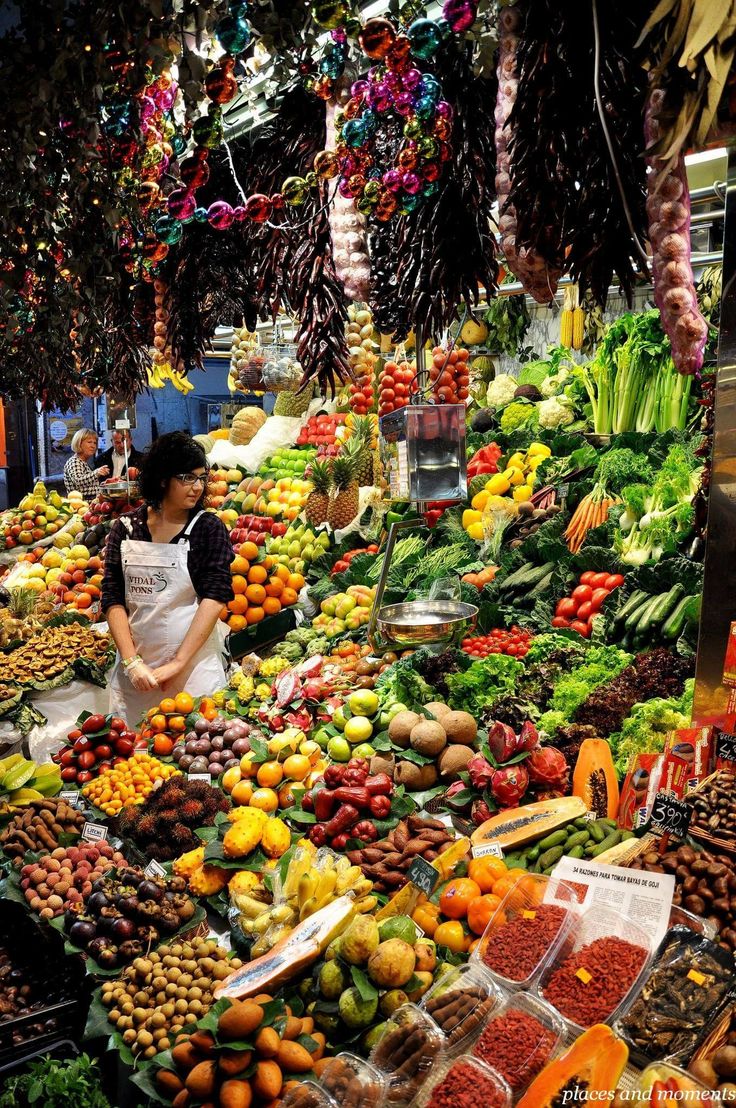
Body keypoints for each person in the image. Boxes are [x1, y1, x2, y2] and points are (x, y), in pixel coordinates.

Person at [101, 431, 233, 722]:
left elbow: (215, 596)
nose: (197, 487)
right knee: (137, 760)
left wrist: (179, 662)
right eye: (187, 477)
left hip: (193, 670)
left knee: (199, 755)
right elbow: (112, 597)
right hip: (137, 673)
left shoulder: (207, 528)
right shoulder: (125, 528)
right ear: (162, 479)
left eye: (202, 478)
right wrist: (131, 661)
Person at [63, 428, 109, 498]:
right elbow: (78, 481)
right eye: (89, 442)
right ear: (79, 443)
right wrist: (97, 472)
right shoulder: (75, 461)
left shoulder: (82, 462)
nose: (93, 446)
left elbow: (87, 486)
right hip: (81, 506)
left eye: (95, 443)